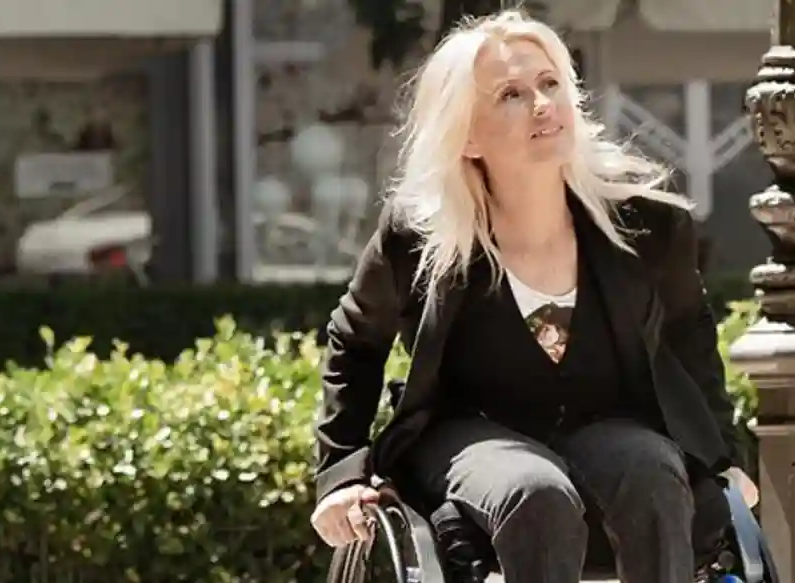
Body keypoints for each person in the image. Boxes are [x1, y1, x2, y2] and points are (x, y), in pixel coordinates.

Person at [308, 10, 758, 583]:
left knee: (652, 472)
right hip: (472, 431)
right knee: (534, 490)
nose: (543, 104)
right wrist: (341, 474)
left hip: (608, 421)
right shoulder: (419, 235)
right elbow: (355, 341)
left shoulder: (647, 223)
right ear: (467, 135)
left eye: (550, 83)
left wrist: (725, 459)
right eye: (511, 94)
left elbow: (687, 331)